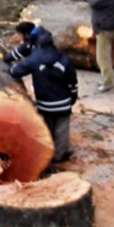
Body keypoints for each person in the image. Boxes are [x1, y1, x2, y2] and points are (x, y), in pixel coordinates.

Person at [9, 34, 78, 163]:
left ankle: (51, 150)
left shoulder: (35, 59)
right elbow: (72, 83)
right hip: (63, 102)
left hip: (44, 103)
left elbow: (17, 70)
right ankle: (59, 155)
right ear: (53, 44)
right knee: (61, 128)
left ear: (39, 45)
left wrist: (9, 69)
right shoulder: (64, 59)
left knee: (49, 126)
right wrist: (73, 97)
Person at [86, 0, 114, 93]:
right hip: (104, 26)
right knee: (103, 56)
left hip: (105, 28)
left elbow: (92, 2)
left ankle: (107, 84)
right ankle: (105, 80)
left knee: (103, 58)